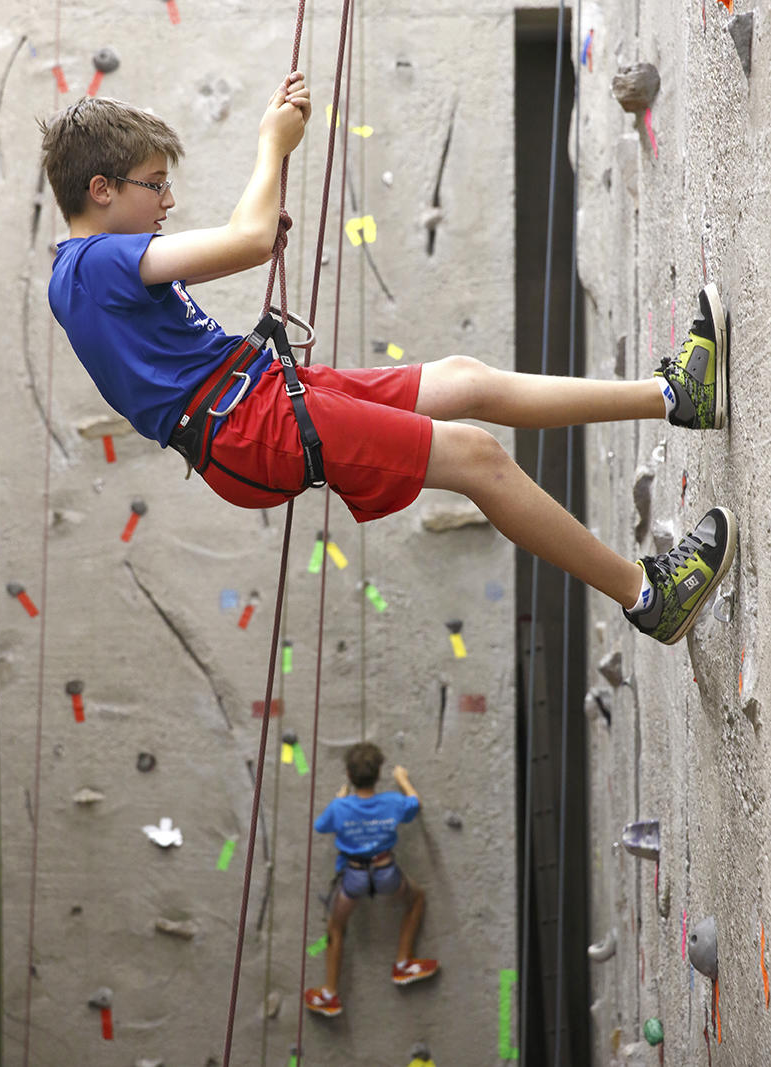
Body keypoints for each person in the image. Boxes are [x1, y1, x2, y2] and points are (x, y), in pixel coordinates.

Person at [40, 72, 737, 646]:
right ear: (102, 189)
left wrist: (261, 205)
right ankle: (648, 594)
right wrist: (270, 145)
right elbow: (246, 239)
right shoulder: (94, 263)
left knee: (465, 379)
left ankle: (675, 396)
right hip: (246, 421)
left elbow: (238, 239)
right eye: (154, 184)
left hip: (255, 399)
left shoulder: (89, 268)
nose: (167, 199)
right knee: (475, 455)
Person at [304, 743, 438, 1017]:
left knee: (336, 926)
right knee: (416, 899)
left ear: (348, 775)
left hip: (353, 877)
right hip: (386, 871)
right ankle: (402, 963)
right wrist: (403, 781)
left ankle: (330, 994)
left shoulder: (340, 807)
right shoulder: (392, 802)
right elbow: (415, 804)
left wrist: (339, 800)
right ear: (378, 775)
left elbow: (320, 826)